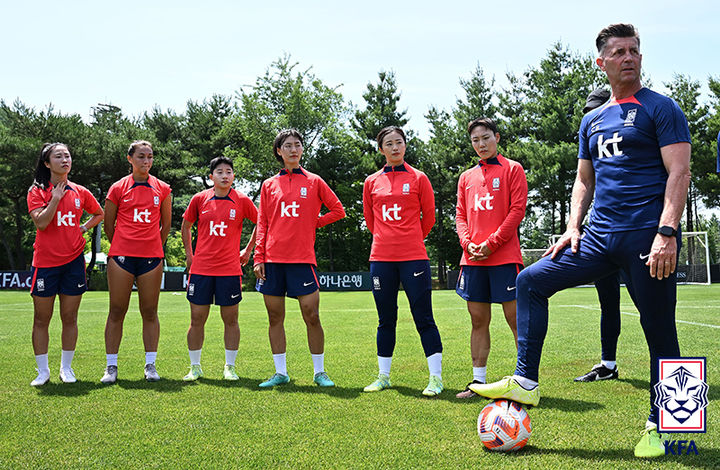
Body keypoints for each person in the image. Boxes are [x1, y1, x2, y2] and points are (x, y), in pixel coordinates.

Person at [470, 24, 691, 459]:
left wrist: (667, 231)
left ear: (640, 58)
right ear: (602, 62)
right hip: (598, 237)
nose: (629, 57)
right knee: (532, 279)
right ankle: (526, 382)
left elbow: (679, 173)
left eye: (634, 50)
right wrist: (573, 227)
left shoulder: (661, 108)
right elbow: (583, 180)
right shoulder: (591, 119)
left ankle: (673, 430)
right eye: (619, 52)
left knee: (660, 329)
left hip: (647, 237)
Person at [253, 129, 345, 388]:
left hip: (303, 259)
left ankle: (319, 372)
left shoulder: (314, 181)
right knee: (275, 317)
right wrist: (258, 256)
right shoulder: (269, 185)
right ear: (279, 152)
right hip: (272, 260)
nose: (294, 150)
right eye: (288, 146)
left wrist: (314, 222)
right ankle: (280, 372)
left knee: (311, 314)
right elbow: (263, 222)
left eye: (298, 145)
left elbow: (338, 210)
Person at [362, 126, 444, 397]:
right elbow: (371, 221)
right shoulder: (371, 182)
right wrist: (388, 239)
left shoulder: (419, 178)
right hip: (381, 259)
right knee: (386, 319)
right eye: (389, 143)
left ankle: (436, 378)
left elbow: (429, 217)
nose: (395, 147)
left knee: (424, 317)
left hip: (414, 258)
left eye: (399, 142)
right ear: (381, 149)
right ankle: (383, 376)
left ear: (405, 146)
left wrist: (409, 239)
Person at [454, 118, 527, 399]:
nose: (481, 144)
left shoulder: (513, 169)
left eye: (486, 138)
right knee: (478, 320)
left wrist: (492, 243)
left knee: (515, 319)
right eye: (475, 140)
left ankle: (525, 380)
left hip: (504, 258)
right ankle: (478, 383)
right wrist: (467, 243)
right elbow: (460, 215)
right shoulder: (466, 178)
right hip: (473, 259)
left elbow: (516, 211)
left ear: (496, 137)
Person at [27, 143, 103, 386]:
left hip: (73, 262)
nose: (64, 159)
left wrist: (83, 227)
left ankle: (66, 368)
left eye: (67, 155)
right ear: (47, 163)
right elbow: (41, 223)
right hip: (46, 262)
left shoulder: (80, 191)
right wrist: (55, 199)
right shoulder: (37, 191)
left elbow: (99, 213)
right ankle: (42, 371)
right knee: (41, 318)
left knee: (69, 317)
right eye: (58, 156)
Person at [101, 140, 172, 384]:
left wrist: (152, 245)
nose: (146, 161)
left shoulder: (162, 188)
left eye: (150, 156)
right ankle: (111, 367)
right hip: (121, 257)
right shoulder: (118, 188)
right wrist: (122, 244)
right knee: (117, 310)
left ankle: (150, 365)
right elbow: (108, 225)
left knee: (150, 311)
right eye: (141, 156)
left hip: (151, 258)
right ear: (130, 158)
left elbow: (166, 225)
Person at [181, 156, 257, 381]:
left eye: (229, 172)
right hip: (202, 268)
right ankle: (195, 367)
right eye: (220, 172)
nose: (225, 176)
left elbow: (261, 222)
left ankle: (230, 367)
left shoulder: (242, 200)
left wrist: (248, 250)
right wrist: (189, 255)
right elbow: (186, 225)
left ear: (234, 176)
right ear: (211, 176)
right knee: (196, 318)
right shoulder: (199, 199)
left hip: (229, 269)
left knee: (231, 319)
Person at [574, 87, 624, 383]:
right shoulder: (590, 142)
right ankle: (608, 364)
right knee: (608, 302)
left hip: (640, 233)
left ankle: (671, 379)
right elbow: (584, 185)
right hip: (603, 235)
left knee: (654, 310)